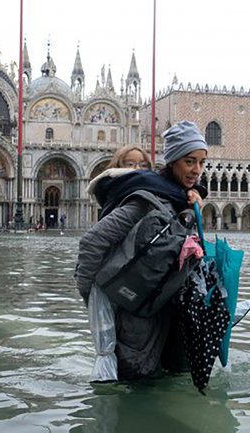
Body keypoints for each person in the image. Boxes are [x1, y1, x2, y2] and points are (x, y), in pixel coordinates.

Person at [76, 121, 208, 381]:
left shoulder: (179, 198)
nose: (197, 170)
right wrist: (93, 298)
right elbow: (92, 243)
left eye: (202, 163)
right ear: (172, 161)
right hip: (136, 324)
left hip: (166, 317)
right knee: (137, 388)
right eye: (190, 161)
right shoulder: (146, 200)